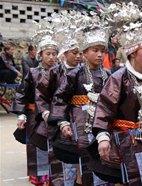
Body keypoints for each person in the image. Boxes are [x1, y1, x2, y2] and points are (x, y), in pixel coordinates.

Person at [90, 2, 142, 185]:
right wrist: (102, 137)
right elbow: (105, 108)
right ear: (133, 52)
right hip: (126, 142)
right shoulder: (119, 78)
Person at [47, 16, 111, 184]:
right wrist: (63, 123)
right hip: (80, 124)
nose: (99, 54)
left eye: (102, 51)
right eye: (95, 50)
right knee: (84, 167)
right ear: (84, 53)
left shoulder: (109, 75)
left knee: (104, 166)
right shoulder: (74, 74)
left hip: (103, 125)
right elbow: (59, 99)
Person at [35, 11, 83, 185]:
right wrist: (48, 113)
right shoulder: (53, 72)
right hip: (57, 120)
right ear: (65, 53)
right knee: (61, 161)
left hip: (79, 119)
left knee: (82, 162)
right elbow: (40, 96)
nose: (78, 56)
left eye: (80, 53)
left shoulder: (85, 72)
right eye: (74, 53)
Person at [11, 33, 58, 185]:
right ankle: (39, 177)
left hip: (55, 115)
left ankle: (56, 176)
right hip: (35, 116)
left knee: (56, 147)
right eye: (48, 54)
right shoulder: (33, 72)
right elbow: (22, 93)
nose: (51, 57)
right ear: (40, 55)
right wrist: (22, 115)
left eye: (54, 54)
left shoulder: (62, 72)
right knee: (37, 146)